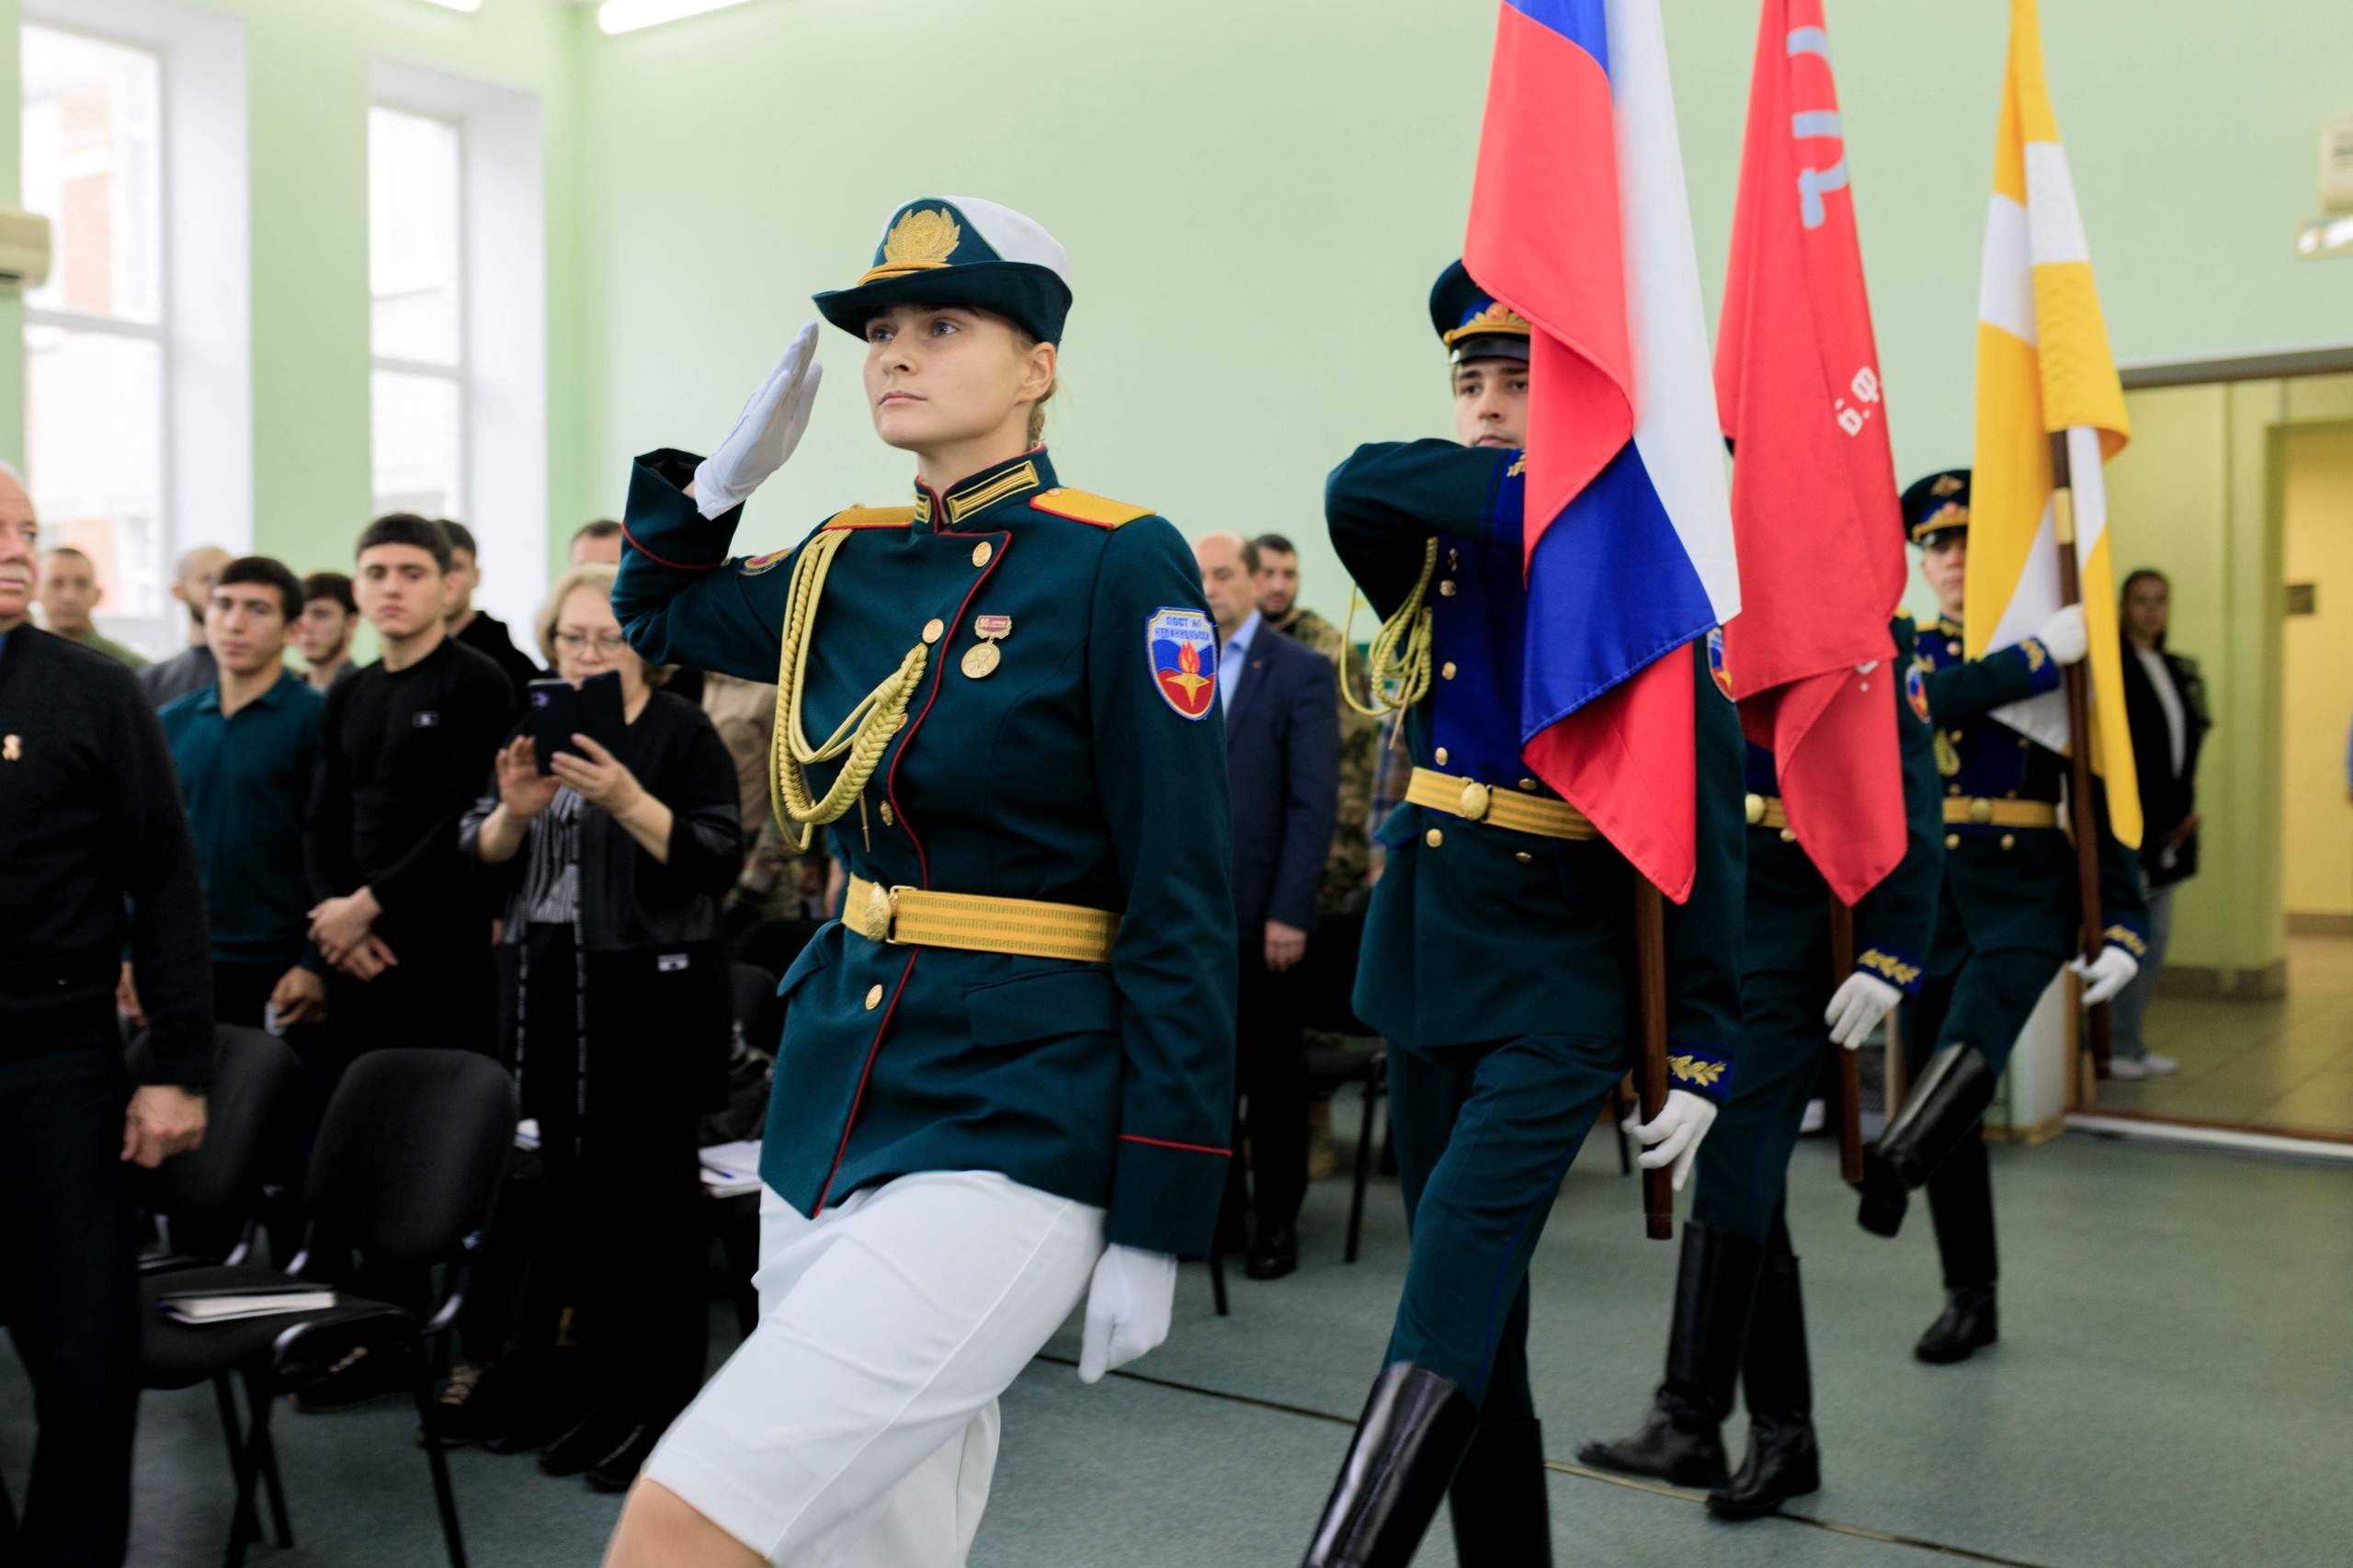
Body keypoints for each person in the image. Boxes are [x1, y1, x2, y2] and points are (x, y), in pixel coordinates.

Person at [599, 196, 1235, 1568]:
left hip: (1021, 1098)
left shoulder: (1117, 558)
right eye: (882, 328)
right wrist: (714, 488)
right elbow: (653, 611)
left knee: (687, 1521)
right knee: (870, 1540)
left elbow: (1182, 890)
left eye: (942, 324)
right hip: (836, 1087)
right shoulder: (847, 558)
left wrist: (1165, 1200)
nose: (894, 351)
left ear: (1037, 366)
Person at [1299, 262, 1745, 1566]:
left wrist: (1701, 1038)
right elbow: (1356, 483)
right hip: (1430, 956)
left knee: (1451, 1269)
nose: (1488, 406)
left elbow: (1700, 815)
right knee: (1487, 1323)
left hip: (1560, 974)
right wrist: (1577, 494)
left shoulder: (1642, 579)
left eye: (1521, 383)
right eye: (1472, 382)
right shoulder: (1438, 532)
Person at [1579, 560, 1945, 1519]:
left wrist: (1893, 948)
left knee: (1736, 1153)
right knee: (1753, 1190)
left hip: (1797, 927)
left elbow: (1909, 786)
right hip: (1708, 924)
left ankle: (1690, 1411)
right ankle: (1784, 1437)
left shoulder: (1853, 612)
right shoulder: (1689, 596)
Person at [453, 562, 742, 1492]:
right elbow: (478, 854)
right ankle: (591, 1395)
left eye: (607, 637)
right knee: (573, 1214)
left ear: (644, 646)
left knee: (653, 1225)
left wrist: (626, 799)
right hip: (549, 993)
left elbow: (715, 860)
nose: (587, 653)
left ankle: (661, 1412)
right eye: (570, 637)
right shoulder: (536, 726)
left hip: (646, 1001)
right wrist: (513, 816)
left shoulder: (680, 730)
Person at [1853, 471, 2147, 1363]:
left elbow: (2100, 788)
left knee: (1966, 1047)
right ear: (1921, 562)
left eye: (1970, 542)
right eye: (1937, 545)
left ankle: (1894, 1156)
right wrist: (2032, 659)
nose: (1952, 559)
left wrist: (2124, 921)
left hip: (2026, 893)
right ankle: (1968, 1296)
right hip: (1931, 899)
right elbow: (1920, 708)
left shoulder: (2064, 652)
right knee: (1954, 1110)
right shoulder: (1910, 649)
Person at [0, 461, 211, 1566]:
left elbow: (166, 882)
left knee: (84, 1364)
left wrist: (175, 1064)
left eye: (27, 530)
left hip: (56, 1070)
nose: (16, 551)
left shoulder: (92, 690)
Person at [1198, 530, 1338, 1280]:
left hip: (1265, 917)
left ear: (1255, 581)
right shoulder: (1177, 665)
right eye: (1200, 576)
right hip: (1195, 916)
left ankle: (1276, 1222)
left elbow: (1314, 804)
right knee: (1206, 1072)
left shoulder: (1300, 670)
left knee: (1273, 1079)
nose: (1209, 589)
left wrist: (1290, 909)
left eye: (1224, 574)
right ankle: (1216, 1217)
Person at [154, 557, 329, 1040]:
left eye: (257, 610)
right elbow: (148, 846)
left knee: (266, 1085)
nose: (234, 624)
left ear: (293, 630)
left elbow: (332, 847)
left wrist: (313, 962)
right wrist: (131, 951)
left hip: (279, 963)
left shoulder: (317, 719)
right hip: (185, 954)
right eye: (223, 605)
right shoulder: (173, 721)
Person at [1256, 530, 1381, 1181]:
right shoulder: (1228, 644)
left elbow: (1350, 765)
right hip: (1254, 852)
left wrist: (1337, 857)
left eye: (1290, 573)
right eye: (1268, 573)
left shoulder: (1327, 649)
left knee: (1307, 1009)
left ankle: (1315, 1125)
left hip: (1322, 851)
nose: (1279, 585)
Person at [2113, 567, 2206, 1078]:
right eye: (2141, 600)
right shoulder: (2115, 671)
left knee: (2157, 937)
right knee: (2129, 938)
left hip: (2174, 826)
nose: (2151, 610)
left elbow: (2184, 750)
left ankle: (2133, 1040)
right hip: (2132, 828)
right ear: (2123, 607)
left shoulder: (2174, 669)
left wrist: (2185, 810)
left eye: (2160, 600)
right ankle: (2116, 1045)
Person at [440, 518, 546, 702]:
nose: (446, 580)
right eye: (436, 569)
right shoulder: (404, 659)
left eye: (456, 568)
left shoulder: (510, 666)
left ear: (476, 575)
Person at [137, 543, 233, 707]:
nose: (218, 590)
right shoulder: (152, 681)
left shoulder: (262, 675)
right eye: (207, 579)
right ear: (178, 591)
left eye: (227, 580)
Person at [36, 545, 146, 668]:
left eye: (81, 584)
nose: (70, 596)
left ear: (97, 595)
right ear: (34, 591)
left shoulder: (131, 668)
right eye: (56, 584)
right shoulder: (21, 661)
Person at [294, 570, 359, 691]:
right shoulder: (288, 692)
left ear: (351, 622)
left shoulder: (369, 692)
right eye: (298, 615)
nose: (305, 627)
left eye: (320, 615)